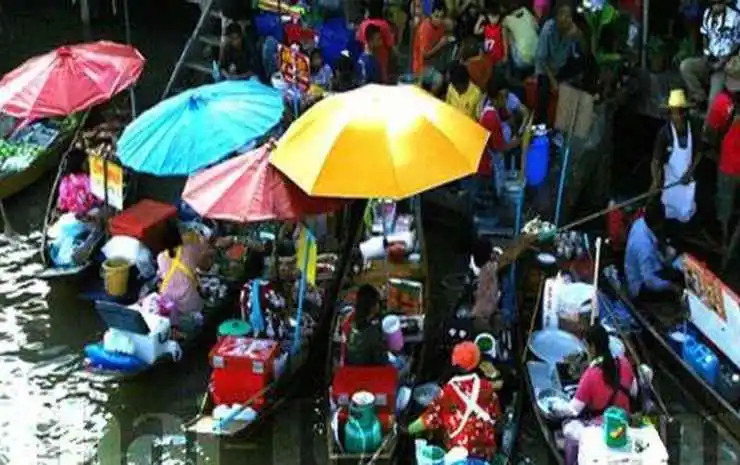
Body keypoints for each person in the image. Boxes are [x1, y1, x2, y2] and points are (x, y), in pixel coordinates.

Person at [405, 341, 502, 461]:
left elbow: (429, 419)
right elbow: (496, 417)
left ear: (454, 363)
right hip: (485, 451)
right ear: (476, 363)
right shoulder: (486, 387)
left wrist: (408, 429)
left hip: (460, 453)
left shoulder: (448, 392)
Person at [552, 325, 644, 422]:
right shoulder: (624, 363)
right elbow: (634, 392)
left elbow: (573, 410)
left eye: (586, 346)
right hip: (625, 423)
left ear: (592, 347)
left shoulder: (590, 375)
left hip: (602, 427)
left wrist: (555, 406)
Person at [705, 57, 740, 266]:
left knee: (725, 211)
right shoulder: (721, 103)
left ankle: (726, 246)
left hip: (727, 167)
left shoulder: (721, 103)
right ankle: (729, 245)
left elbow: (710, 133)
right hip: (729, 166)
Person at [651, 89, 699, 224]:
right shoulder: (664, 133)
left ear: (685, 113)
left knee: (687, 215)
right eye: (673, 113)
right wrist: (656, 180)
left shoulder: (693, 128)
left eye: (679, 112)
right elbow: (655, 160)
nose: (677, 117)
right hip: (671, 183)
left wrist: (690, 172)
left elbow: (699, 153)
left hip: (687, 182)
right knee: (669, 214)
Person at [680, 0, 740, 108]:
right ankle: (700, 98)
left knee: (713, 101)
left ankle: (709, 113)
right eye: (714, 3)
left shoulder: (735, 16)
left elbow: (737, 42)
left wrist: (724, 60)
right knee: (686, 66)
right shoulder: (707, 13)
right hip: (709, 59)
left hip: (725, 64)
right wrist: (706, 53)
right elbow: (705, 34)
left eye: (719, 3)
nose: (716, 6)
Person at [624, 202, 685, 302]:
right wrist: (672, 287)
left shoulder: (640, 223)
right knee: (678, 282)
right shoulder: (645, 248)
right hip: (641, 286)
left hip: (645, 269)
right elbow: (650, 281)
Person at [534, 2, 584, 123]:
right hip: (546, 69)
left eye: (569, 16)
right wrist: (553, 81)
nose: (566, 19)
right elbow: (542, 59)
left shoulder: (571, 29)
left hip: (561, 65)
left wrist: (578, 34)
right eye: (563, 15)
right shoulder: (548, 30)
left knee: (581, 67)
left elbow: (583, 45)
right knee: (543, 94)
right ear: (557, 17)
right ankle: (540, 122)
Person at [478, 74, 521, 197]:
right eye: (504, 96)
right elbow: (499, 148)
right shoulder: (490, 117)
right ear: (498, 96)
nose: (506, 99)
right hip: (489, 167)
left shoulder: (497, 109)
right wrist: (515, 143)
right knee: (494, 194)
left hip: (494, 161)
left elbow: (509, 120)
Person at [157, 228, 211, 316]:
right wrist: (203, 240)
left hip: (171, 301)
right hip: (189, 300)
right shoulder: (189, 250)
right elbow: (205, 263)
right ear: (180, 237)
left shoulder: (160, 257)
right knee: (196, 315)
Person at [345, 284, 388, 365]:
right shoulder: (373, 333)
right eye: (378, 301)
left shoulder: (351, 326)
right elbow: (382, 362)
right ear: (373, 306)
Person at [356, 0, 397, 83]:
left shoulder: (363, 24)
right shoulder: (384, 25)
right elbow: (390, 45)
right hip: (382, 59)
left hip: (366, 58)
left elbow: (359, 41)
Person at [412, 3, 454, 76]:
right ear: (431, 15)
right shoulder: (425, 30)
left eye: (441, 17)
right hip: (421, 67)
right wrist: (440, 45)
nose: (439, 20)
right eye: (436, 16)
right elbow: (425, 55)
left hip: (435, 62)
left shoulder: (441, 25)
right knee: (440, 78)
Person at [502, 2, 539, 76]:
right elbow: (537, 27)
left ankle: (515, 74)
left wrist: (505, 56)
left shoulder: (506, 20)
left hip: (522, 62)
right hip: (538, 57)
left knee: (509, 34)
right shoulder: (526, 11)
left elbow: (505, 40)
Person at [474, 0, 506, 67]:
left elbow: (505, 42)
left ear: (499, 16)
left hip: (498, 57)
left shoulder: (501, 27)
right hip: (488, 57)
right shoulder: (486, 27)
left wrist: (505, 55)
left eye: (496, 17)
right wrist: (479, 20)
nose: (494, 20)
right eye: (492, 17)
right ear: (488, 16)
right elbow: (476, 31)